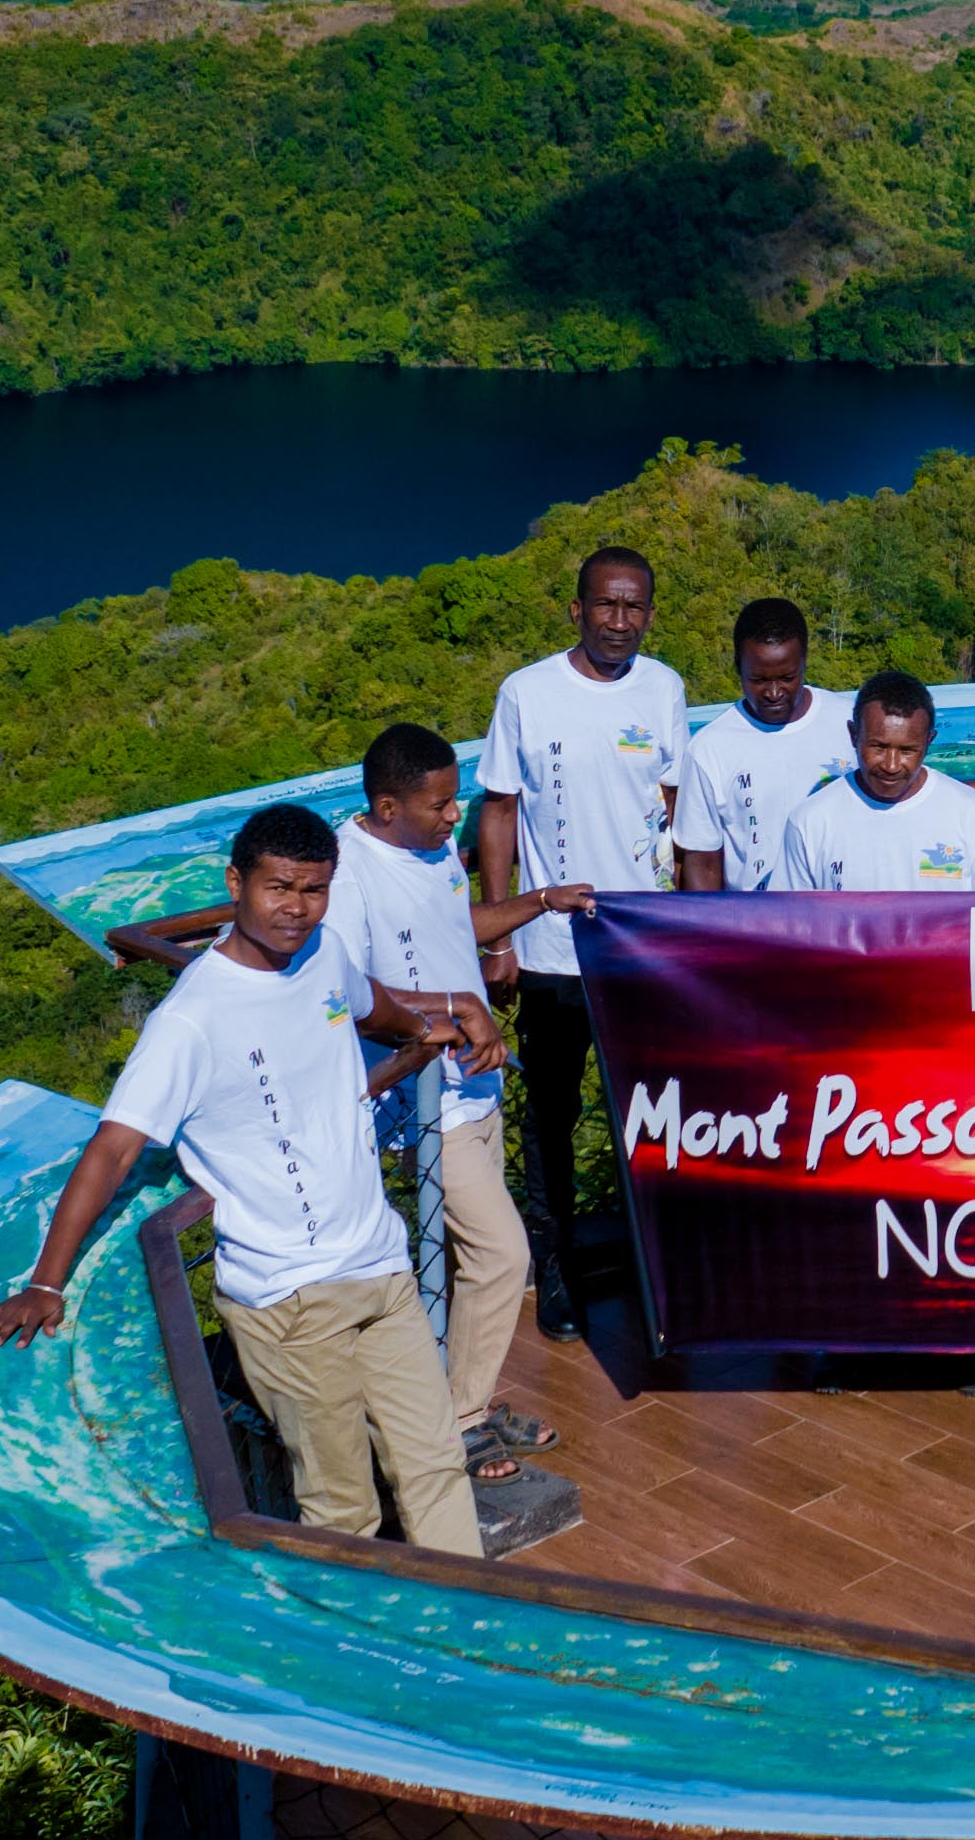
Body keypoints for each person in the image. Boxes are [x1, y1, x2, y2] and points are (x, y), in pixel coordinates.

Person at [0, 805, 487, 1555]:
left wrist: (426, 1027)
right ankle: (357, 1664)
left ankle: (467, 1636)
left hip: (380, 1266)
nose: (296, 908)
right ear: (236, 884)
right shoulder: (192, 1019)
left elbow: (372, 1002)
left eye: (314, 889)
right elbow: (113, 1150)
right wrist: (46, 1283)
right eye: (278, 887)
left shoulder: (326, 950)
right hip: (289, 1297)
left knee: (438, 1468)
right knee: (343, 1511)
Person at [339, 721, 586, 1543]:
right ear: (386, 805)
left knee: (461, 1262)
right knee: (501, 1254)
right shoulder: (347, 877)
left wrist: (540, 903)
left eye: (456, 800)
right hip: (419, 1104)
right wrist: (453, 1010)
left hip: (474, 1089)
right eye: (441, 805)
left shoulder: (433, 850)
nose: (457, 819)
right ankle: (459, 1420)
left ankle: (457, 1405)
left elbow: (458, 931)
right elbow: (350, 995)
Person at [476, 545, 688, 1337]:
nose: (619, 622)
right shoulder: (527, 693)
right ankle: (556, 1271)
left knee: (651, 1114)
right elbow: (498, 811)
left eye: (634, 608)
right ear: (577, 608)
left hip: (639, 949)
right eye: (606, 605)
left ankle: (653, 1266)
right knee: (552, 1121)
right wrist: (499, 932)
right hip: (552, 954)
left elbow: (674, 807)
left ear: (650, 614)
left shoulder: (664, 687)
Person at [672, 596, 856, 891]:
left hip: (840, 925)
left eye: (787, 677)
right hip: (755, 929)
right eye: (758, 679)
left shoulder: (852, 724)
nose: (773, 692)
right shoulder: (709, 748)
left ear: (804, 662)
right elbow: (702, 859)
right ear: (738, 667)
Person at [770, 671, 975, 891]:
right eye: (879, 747)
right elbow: (788, 923)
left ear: (929, 741)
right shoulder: (809, 822)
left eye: (907, 750)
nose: (891, 765)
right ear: (854, 736)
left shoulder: (972, 813)